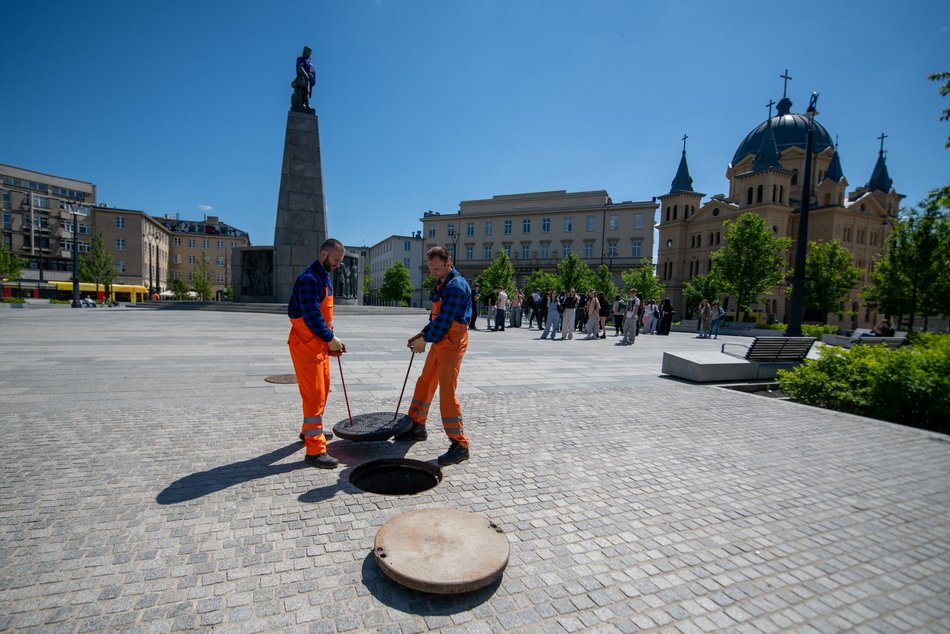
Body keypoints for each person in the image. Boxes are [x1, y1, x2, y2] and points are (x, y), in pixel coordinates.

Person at [397, 246, 472, 466]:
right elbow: (436, 319)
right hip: (441, 340)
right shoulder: (442, 283)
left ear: (448, 263)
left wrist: (425, 339)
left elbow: (444, 321)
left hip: (452, 343)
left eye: (437, 268)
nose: (433, 272)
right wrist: (422, 335)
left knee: (447, 393)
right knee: (425, 382)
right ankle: (417, 426)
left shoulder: (456, 287)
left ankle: (460, 444)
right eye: (430, 268)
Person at [287, 238, 346, 469]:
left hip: (317, 344)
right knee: (314, 394)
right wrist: (330, 339)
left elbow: (324, 317)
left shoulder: (324, 277)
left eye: (340, 260)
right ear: (323, 254)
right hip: (306, 345)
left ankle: (309, 432)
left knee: (321, 391)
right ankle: (314, 450)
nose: (338, 264)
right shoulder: (310, 279)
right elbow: (312, 316)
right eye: (335, 259)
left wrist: (331, 341)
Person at [292, 46, 317, 111]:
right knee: (300, 91)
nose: (309, 53)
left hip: (307, 80)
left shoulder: (310, 63)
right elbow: (300, 67)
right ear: (304, 51)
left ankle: (307, 105)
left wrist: (310, 76)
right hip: (301, 79)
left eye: (310, 52)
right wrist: (306, 75)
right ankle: (300, 105)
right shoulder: (300, 58)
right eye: (308, 51)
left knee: (307, 93)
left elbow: (312, 71)